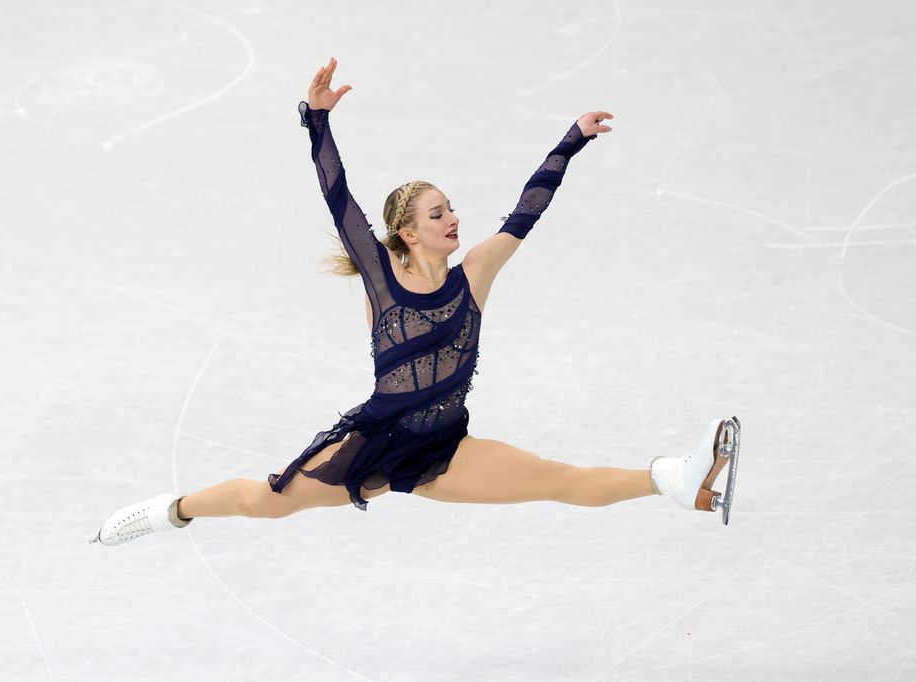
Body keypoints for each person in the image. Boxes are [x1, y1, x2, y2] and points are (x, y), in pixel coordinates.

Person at [91, 57, 740, 546]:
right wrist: (317, 118)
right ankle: (168, 511)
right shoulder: (383, 282)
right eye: (438, 213)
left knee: (554, 479)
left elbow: (527, 208)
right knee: (267, 500)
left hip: (442, 450)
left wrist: (572, 138)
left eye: (452, 208)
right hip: (377, 442)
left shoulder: (476, 272)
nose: (454, 219)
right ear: (408, 231)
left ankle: (674, 480)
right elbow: (338, 198)